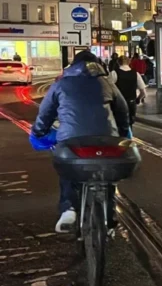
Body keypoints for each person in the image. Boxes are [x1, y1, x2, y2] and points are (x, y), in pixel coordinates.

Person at [31, 51, 131, 232]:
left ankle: (68, 209)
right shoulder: (106, 83)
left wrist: (39, 133)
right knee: (107, 175)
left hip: (71, 140)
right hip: (107, 138)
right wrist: (123, 133)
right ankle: (110, 214)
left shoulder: (61, 84)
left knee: (67, 171)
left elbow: (45, 113)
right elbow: (123, 112)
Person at [110, 55, 147, 125]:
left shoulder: (114, 73)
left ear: (118, 63)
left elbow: (108, 88)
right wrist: (138, 99)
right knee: (130, 123)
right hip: (131, 102)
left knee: (119, 124)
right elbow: (144, 93)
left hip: (118, 103)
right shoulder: (136, 74)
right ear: (129, 62)